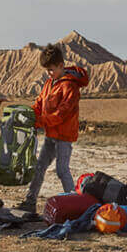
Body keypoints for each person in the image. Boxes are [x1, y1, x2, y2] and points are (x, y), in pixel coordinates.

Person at [17, 45, 89, 213]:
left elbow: (61, 114)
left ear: (61, 65)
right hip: (51, 134)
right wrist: (30, 116)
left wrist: (40, 122)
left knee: (61, 170)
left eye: (51, 70)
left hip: (64, 136)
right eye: (47, 70)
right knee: (39, 167)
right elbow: (39, 104)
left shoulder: (70, 86)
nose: (48, 73)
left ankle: (75, 205)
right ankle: (30, 202)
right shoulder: (49, 83)